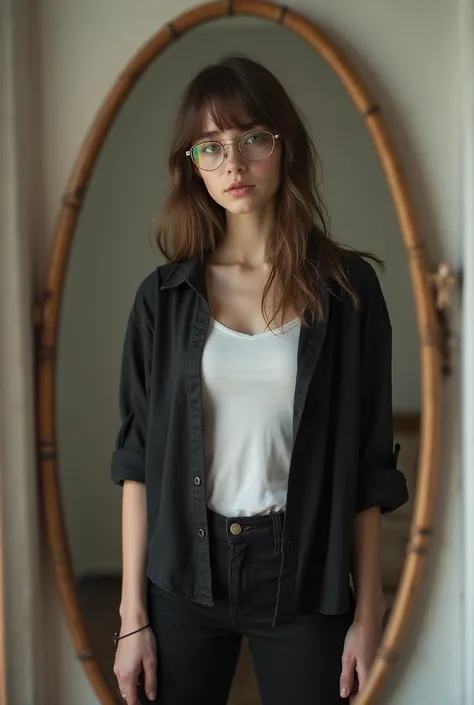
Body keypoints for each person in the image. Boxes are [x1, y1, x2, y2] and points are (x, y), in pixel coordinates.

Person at [111, 54, 409, 705]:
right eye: (211, 148)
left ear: (284, 144)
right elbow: (135, 464)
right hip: (184, 572)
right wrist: (133, 618)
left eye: (251, 138)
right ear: (191, 165)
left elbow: (367, 467)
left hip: (304, 572)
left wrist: (369, 612)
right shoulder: (161, 300)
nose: (234, 165)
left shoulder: (349, 292)